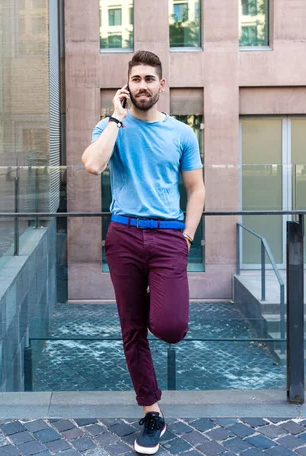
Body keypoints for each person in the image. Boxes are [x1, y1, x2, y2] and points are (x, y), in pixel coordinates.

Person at [82, 50, 205, 455]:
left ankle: (158, 296)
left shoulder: (182, 134)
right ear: (127, 85)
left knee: (171, 327)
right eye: (136, 79)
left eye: (150, 79)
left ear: (161, 85)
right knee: (132, 330)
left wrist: (187, 236)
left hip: (169, 237)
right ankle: (153, 412)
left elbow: (196, 189)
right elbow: (91, 165)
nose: (143, 86)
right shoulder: (113, 125)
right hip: (124, 236)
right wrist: (115, 118)